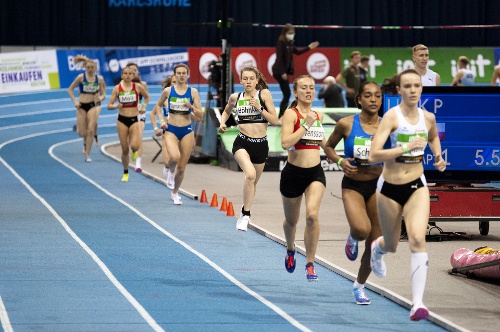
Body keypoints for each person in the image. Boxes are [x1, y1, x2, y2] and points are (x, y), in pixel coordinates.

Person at [368, 69, 446, 321]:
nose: (413, 90)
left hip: (417, 185)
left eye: (417, 86)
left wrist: (437, 155)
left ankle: (418, 304)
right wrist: (404, 148)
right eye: (408, 86)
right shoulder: (391, 117)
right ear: (399, 90)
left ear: (421, 89)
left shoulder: (428, 118)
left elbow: (433, 137)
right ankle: (376, 250)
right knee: (391, 244)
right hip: (390, 188)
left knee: (416, 239)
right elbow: (373, 155)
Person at [324, 81, 390, 305]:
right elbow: (328, 147)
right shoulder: (345, 124)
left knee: (375, 243)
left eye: (378, 96)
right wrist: (341, 161)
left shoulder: (388, 125)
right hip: (353, 184)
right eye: (368, 96)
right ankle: (353, 237)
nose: (373, 100)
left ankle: (359, 286)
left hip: (377, 185)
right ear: (359, 99)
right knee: (362, 230)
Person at [280, 75, 330, 281]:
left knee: (311, 216)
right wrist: (306, 125)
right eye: (304, 88)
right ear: (295, 92)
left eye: (311, 87)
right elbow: (285, 143)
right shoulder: (291, 114)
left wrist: (345, 156)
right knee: (292, 221)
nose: (308, 91)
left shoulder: (319, 115)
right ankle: (291, 248)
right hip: (293, 174)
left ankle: (310, 263)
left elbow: (325, 145)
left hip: (315, 173)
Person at [219, 66, 279, 231]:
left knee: (253, 182)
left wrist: (259, 108)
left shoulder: (264, 94)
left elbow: (275, 120)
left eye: (251, 78)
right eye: (245, 78)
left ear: (257, 80)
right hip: (242, 143)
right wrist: (223, 122)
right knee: (250, 175)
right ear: (240, 80)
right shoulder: (235, 97)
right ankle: (246, 214)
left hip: (261, 145)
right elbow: (226, 111)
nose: (248, 82)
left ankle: (244, 209)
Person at [152, 64, 203, 205]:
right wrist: (161, 121)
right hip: (171, 129)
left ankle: (175, 193)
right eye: (178, 73)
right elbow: (157, 106)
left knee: (181, 168)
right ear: (175, 75)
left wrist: (191, 107)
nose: (181, 75)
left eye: (183, 73)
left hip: (186, 130)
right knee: (174, 157)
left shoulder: (193, 92)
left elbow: (200, 114)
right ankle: (168, 169)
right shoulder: (168, 91)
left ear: (187, 74)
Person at [107, 66, 150, 182]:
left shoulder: (137, 87)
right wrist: (116, 106)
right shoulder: (117, 88)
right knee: (125, 149)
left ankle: (135, 151)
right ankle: (125, 172)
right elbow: (109, 105)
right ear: (122, 75)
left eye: (130, 74)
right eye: (125, 73)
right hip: (121, 120)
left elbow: (147, 97)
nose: (127, 75)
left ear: (133, 76)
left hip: (134, 119)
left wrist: (143, 107)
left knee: (135, 145)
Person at [272, 23, 319, 117]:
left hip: (283, 71)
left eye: (293, 32)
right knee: (287, 94)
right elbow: (279, 58)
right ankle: (281, 116)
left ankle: (283, 114)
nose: (292, 34)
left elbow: (297, 52)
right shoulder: (281, 42)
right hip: (278, 71)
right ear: (285, 33)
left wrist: (309, 47)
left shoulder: (290, 42)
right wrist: (282, 72)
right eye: (290, 32)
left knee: (287, 94)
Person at [67, 55, 106, 162]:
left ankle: (87, 154)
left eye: (91, 67)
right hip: (81, 106)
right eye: (88, 67)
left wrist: (100, 98)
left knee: (90, 130)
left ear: (95, 68)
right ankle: (82, 134)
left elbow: (104, 94)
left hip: (93, 106)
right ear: (85, 68)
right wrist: (75, 101)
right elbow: (70, 90)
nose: (90, 69)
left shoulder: (100, 79)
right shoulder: (81, 77)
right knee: (82, 133)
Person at [150, 74, 176, 180]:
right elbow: (152, 114)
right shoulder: (164, 99)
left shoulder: (186, 97)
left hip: (181, 131)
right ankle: (167, 169)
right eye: (174, 82)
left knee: (175, 158)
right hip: (168, 131)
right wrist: (156, 128)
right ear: (169, 85)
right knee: (166, 162)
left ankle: (172, 175)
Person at [126, 62, 149, 173]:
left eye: (135, 70)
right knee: (132, 141)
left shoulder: (142, 84)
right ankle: (134, 150)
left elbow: (146, 97)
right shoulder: (122, 85)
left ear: (137, 72)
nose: (133, 72)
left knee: (138, 137)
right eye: (131, 70)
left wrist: (143, 106)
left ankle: (138, 163)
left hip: (140, 115)